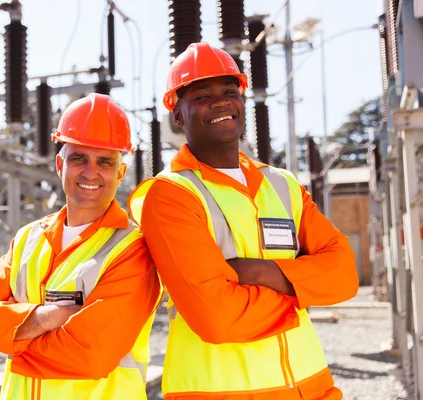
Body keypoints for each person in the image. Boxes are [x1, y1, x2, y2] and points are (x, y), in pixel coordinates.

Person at [128, 42, 359, 399]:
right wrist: (302, 292)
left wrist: (262, 273)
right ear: (177, 113)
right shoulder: (168, 195)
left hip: (309, 388)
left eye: (229, 91)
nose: (220, 101)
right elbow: (217, 317)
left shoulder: (282, 185)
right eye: (202, 95)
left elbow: (344, 274)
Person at [0, 93, 162, 400]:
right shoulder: (28, 240)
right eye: (79, 158)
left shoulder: (133, 250)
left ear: (120, 173)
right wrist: (45, 317)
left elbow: (90, 353)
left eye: (105, 161)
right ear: (60, 164)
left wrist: (11, 336)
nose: (90, 172)